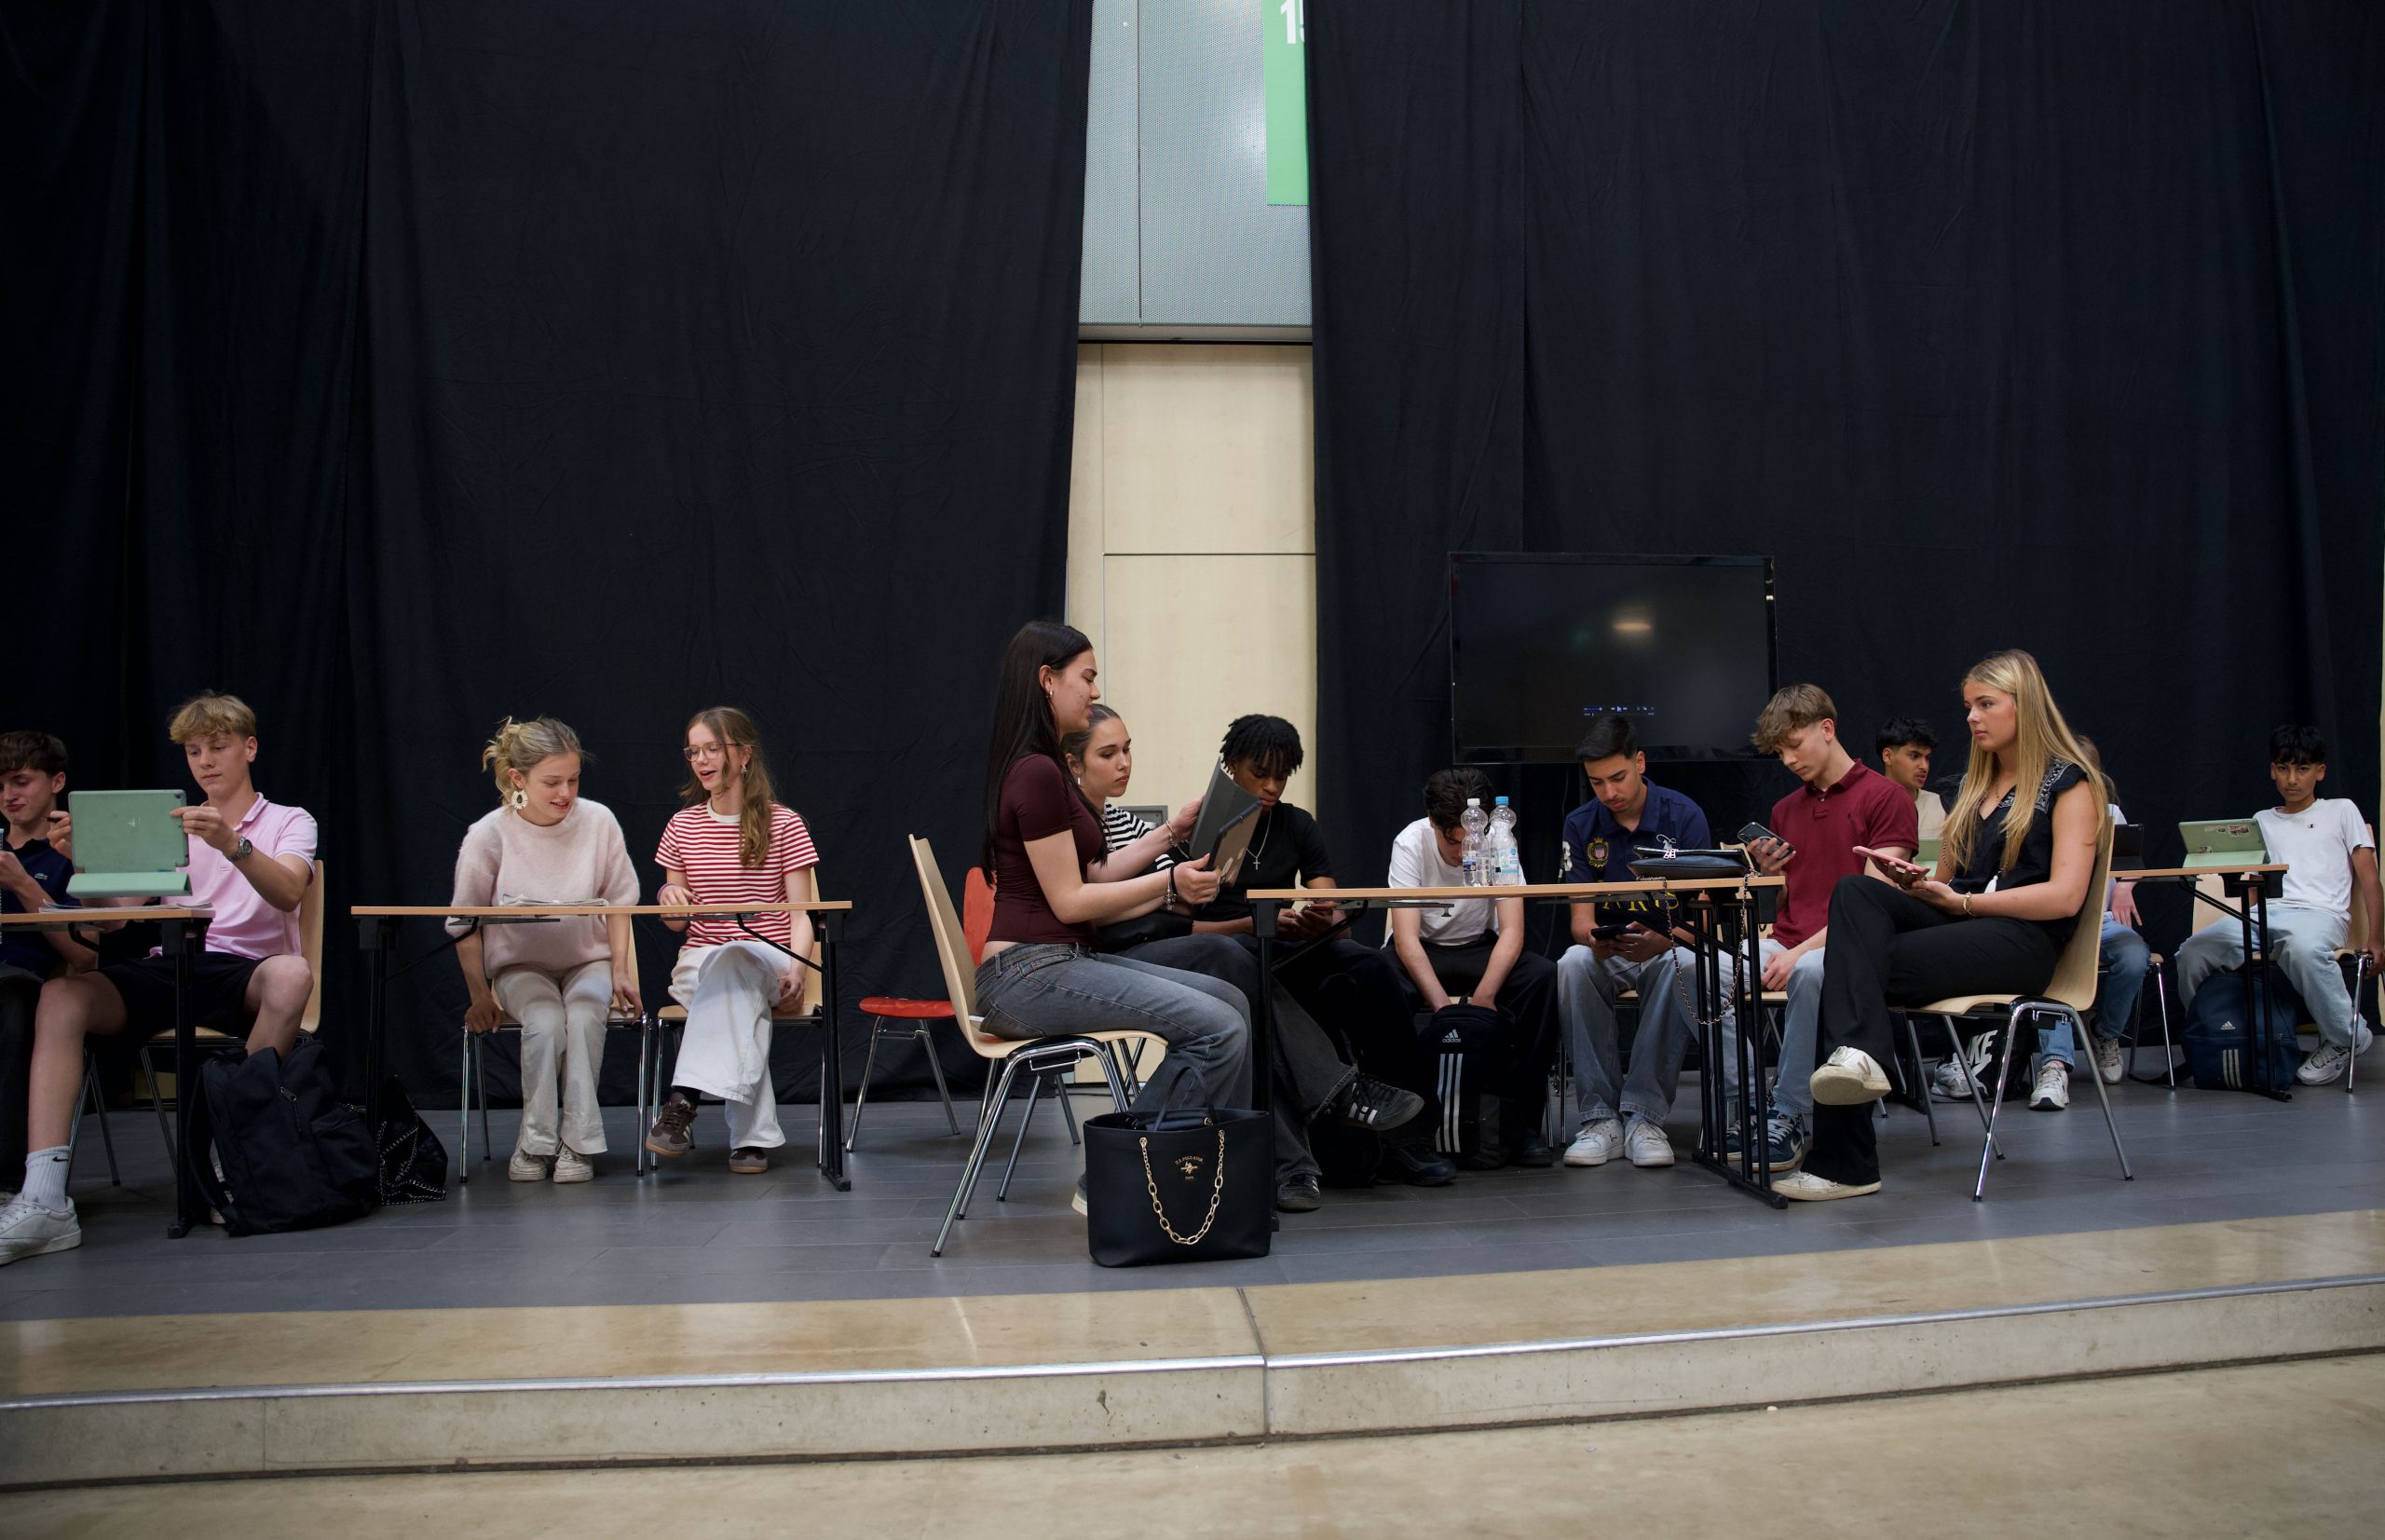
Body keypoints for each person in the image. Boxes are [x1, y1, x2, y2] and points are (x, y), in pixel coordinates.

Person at [1067, 711, 1447, 1204]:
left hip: (1252, 948)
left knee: (1367, 967)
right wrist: (1234, 916)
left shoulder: (1137, 826)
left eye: (1126, 749)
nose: (1124, 762)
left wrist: (1322, 918)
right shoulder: (1102, 829)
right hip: (1195, 952)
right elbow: (1148, 913)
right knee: (1240, 970)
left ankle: (1391, 1141)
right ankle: (1319, 1124)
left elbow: (1169, 903)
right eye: (1108, 753)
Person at [2, 693, 319, 1263]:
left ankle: (233, 1157)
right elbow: (115, 917)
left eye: (218, 747)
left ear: (249, 748)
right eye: (194, 752)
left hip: (244, 969)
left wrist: (231, 843)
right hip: (171, 962)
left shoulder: (288, 820)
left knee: (293, 975)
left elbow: (290, 891)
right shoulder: (173, 824)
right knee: (61, 994)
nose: (206, 761)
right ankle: (44, 1196)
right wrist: (86, 861)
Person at [1781, 650, 2106, 1203]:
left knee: (1849, 968)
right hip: (1965, 920)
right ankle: (1862, 1063)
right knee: (1857, 892)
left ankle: (1847, 1161)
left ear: (2024, 705)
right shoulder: (1976, 786)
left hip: (2024, 941)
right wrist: (1916, 884)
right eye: (1969, 706)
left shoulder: (2069, 784)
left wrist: (1966, 904)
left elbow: (2065, 896)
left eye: (1986, 704)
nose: (1972, 717)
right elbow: (1948, 883)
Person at [974, 621, 1252, 1219]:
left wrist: (1171, 834)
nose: (1095, 691)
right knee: (1219, 1029)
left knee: (1233, 1002)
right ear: (1047, 681)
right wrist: (1171, 884)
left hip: (1052, 964)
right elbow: (1072, 902)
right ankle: (1120, 1178)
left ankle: (1213, 1169)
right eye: (1088, 677)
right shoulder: (1036, 772)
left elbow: (1096, 876)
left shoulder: (1042, 767)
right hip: (1026, 973)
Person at [449, 717, 642, 1183]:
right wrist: (479, 995)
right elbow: (463, 922)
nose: (565, 793)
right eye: (552, 782)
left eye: (573, 780)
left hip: (587, 961)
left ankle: (577, 1143)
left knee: (584, 1016)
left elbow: (620, 903)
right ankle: (534, 1142)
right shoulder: (490, 833)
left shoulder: (598, 821)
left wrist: (619, 970)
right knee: (545, 1021)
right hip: (522, 966)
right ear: (518, 778)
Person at [1738, 687, 1917, 1171]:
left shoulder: (1886, 797)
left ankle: (1790, 1113)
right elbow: (1785, 904)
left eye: (1795, 745)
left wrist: (1796, 954)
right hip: (1786, 939)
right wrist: (1768, 876)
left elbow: (1872, 907)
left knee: (1812, 971)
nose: (1789, 760)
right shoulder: (1784, 810)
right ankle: (1746, 1101)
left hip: (1851, 948)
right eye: (1780, 752)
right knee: (1695, 970)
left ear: (1827, 729)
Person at [1932, 736, 2150, 1110]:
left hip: (2099, 924)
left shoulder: (2110, 813)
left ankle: (2106, 1033)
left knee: (2134, 955)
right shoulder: (2031, 810)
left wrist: (2126, 886)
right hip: (2049, 923)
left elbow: (2132, 861)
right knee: (2051, 965)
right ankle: (2055, 1065)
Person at [644, 708, 818, 1175]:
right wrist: (669, 897)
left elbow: (801, 913)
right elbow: (676, 924)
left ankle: (683, 1101)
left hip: (765, 956)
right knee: (735, 994)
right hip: (699, 961)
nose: (701, 760)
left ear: (743, 755)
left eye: (712, 749)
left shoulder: (784, 823)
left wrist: (798, 969)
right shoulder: (682, 826)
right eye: (693, 751)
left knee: (737, 961)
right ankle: (750, 1140)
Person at [1555, 715, 1724, 1171]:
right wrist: (1596, 940)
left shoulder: (1683, 815)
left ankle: (1643, 1117)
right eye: (1597, 783)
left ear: (1640, 763)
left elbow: (1703, 917)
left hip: (1668, 944)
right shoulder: (1579, 824)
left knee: (1681, 964)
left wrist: (1664, 939)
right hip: (1613, 950)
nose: (1609, 792)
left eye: (1618, 777)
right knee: (1572, 963)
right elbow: (1580, 922)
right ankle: (1599, 1120)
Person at [2174, 725, 2381, 1087]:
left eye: (2302, 769)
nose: (2292, 779)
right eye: (2284, 768)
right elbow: (2256, 887)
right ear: (2273, 770)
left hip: (2321, 915)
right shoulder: (2262, 820)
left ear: (2320, 772)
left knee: (2300, 948)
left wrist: (2377, 939)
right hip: (2266, 915)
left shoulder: (2342, 810)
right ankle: (2212, 1031)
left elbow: (2370, 879)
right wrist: (2238, 919)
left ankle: (2347, 1036)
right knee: (2193, 951)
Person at [1387, 768, 1560, 1168]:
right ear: (1433, 823)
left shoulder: (1499, 841)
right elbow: (1406, 940)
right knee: (1378, 977)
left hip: (1479, 949)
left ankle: (1522, 1127)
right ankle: (1403, 1130)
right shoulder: (1411, 841)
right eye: (1454, 841)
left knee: (1541, 977)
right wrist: (1444, 1010)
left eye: (1472, 840)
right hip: (1424, 949)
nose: (1464, 851)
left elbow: (1513, 931)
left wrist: (1483, 999)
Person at [1, 732, 88, 1183]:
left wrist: (22, 885)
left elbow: (85, 953)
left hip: (33, 982)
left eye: (20, 782)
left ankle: (9, 1179)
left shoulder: (72, 854)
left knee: (11, 1000)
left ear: (56, 782)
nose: (7, 796)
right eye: (0, 786)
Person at [1878, 717, 1947, 843]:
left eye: (1927, 758)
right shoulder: (1866, 805)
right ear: (1888, 756)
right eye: (1915, 756)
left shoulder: (1942, 808)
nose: (1924, 766)